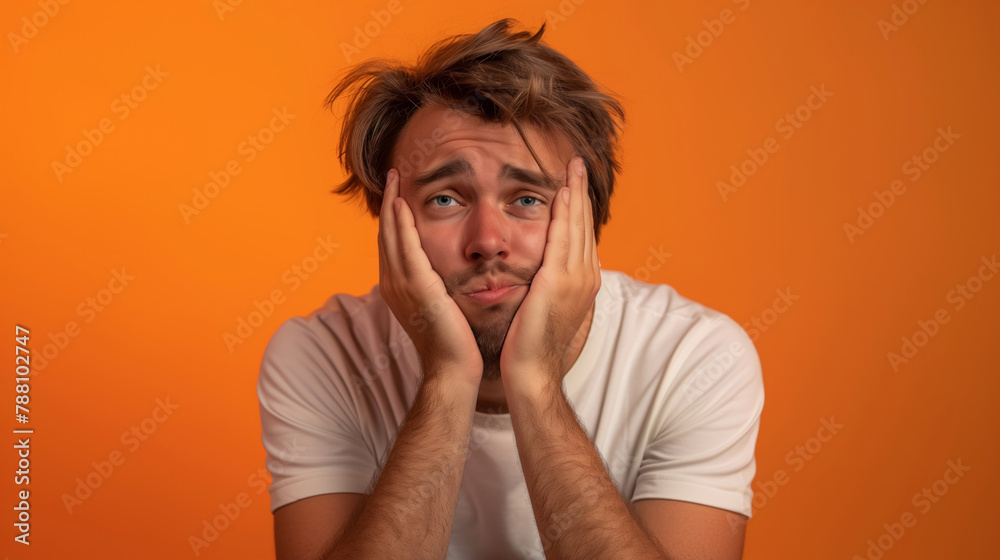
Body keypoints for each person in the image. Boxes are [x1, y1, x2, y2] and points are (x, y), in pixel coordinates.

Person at [257, 18, 764, 560]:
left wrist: (536, 382)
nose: (487, 242)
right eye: (446, 199)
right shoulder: (319, 356)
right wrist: (448, 379)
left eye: (527, 198)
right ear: (388, 222)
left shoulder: (694, 357)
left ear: (587, 218)